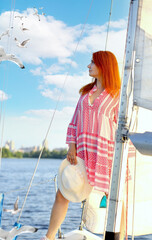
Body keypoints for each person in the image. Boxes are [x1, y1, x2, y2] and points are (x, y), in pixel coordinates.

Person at [41, 50, 121, 240]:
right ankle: (49, 237)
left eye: (93, 62)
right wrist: (71, 146)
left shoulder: (118, 95)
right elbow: (74, 121)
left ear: (104, 66)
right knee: (63, 193)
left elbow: (121, 125)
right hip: (82, 153)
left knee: (115, 202)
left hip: (105, 154)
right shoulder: (86, 93)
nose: (88, 65)